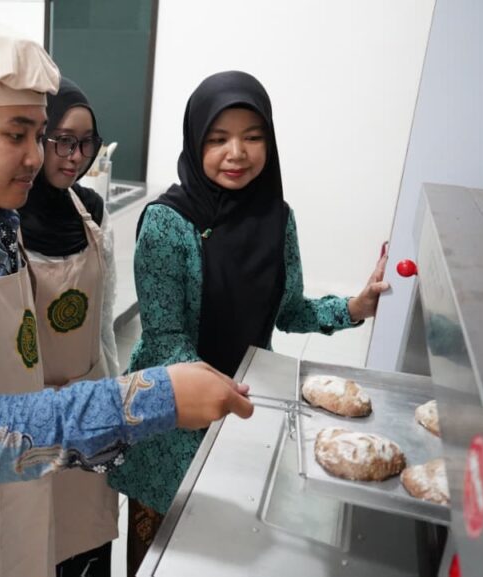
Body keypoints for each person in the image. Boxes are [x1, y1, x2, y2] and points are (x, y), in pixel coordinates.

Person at [0, 22, 253, 577]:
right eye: (16, 135)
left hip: (13, 494)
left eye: (38, 135)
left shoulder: (1, 227)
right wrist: (152, 397)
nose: (34, 157)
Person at [106, 71, 390, 575]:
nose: (236, 153)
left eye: (252, 137)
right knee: (163, 558)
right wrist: (228, 399)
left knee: (231, 552)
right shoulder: (167, 224)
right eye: (218, 139)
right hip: (173, 419)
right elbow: (167, 341)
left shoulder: (278, 218)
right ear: (196, 142)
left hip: (245, 414)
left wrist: (354, 308)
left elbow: (289, 310)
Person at [19, 77, 119, 576]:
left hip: (90, 407)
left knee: (85, 540)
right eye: (62, 140)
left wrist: (114, 399)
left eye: (85, 143)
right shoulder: (7, 220)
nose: (75, 156)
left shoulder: (91, 212)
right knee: (34, 541)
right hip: (30, 412)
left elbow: (104, 321)